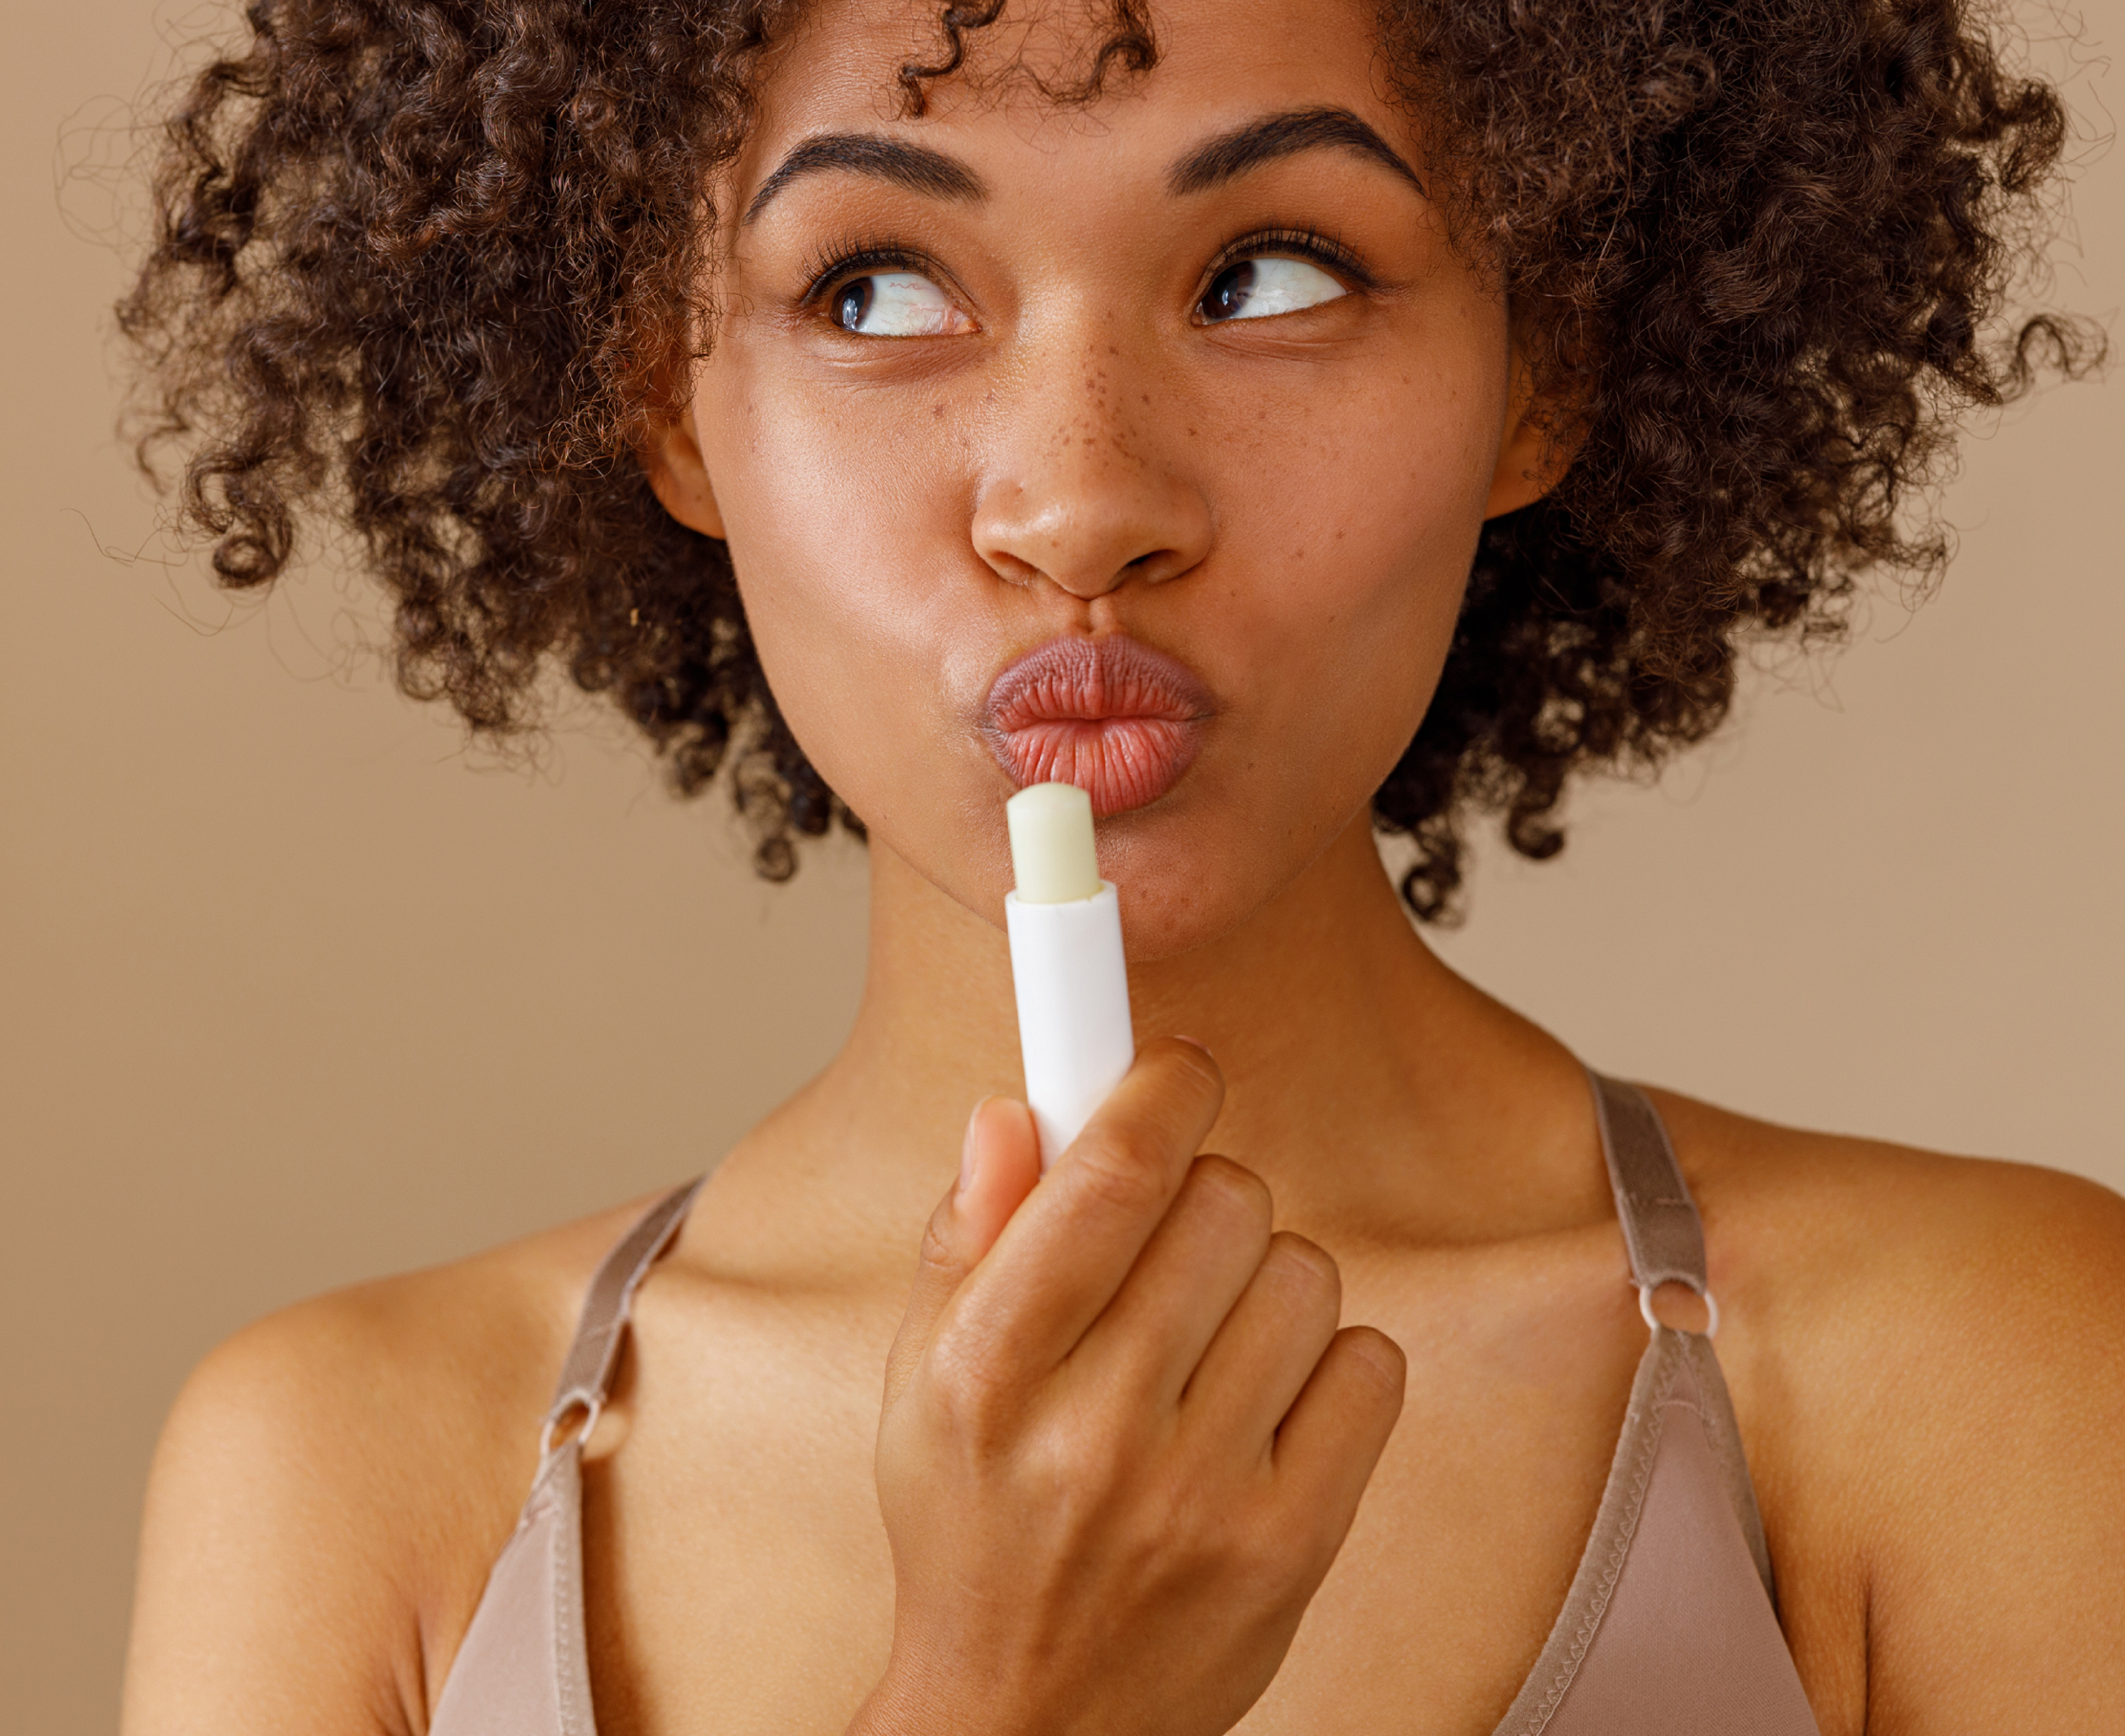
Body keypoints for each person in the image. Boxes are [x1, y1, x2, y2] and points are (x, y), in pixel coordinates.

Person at [118, 0, 2123, 1731]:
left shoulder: (1980, 1376)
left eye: (1269, 272)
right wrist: (997, 1690)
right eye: (874, 290)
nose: (1079, 499)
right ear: (666, 403)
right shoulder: (357, 1476)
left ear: (1546, 369)